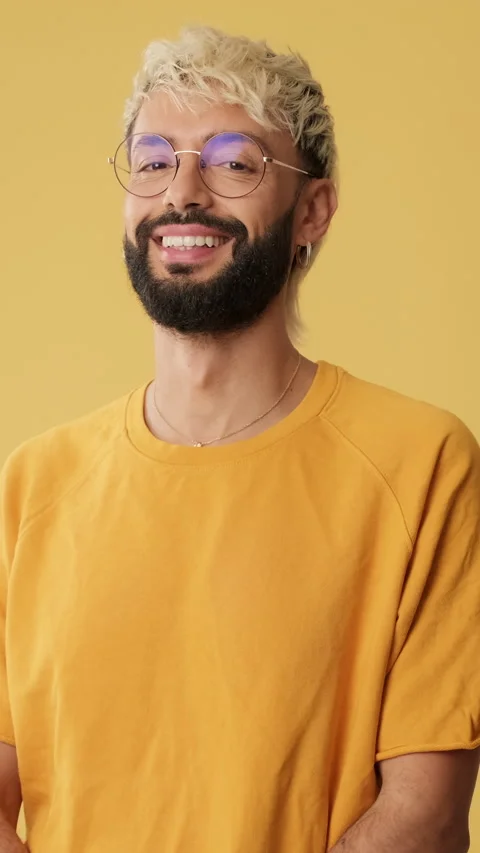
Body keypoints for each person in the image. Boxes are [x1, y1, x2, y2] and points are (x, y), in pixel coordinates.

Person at [0, 24, 479, 853]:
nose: (184, 192)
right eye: (154, 160)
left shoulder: (421, 462)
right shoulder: (35, 482)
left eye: (233, 161)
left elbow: (424, 814)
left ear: (313, 210)